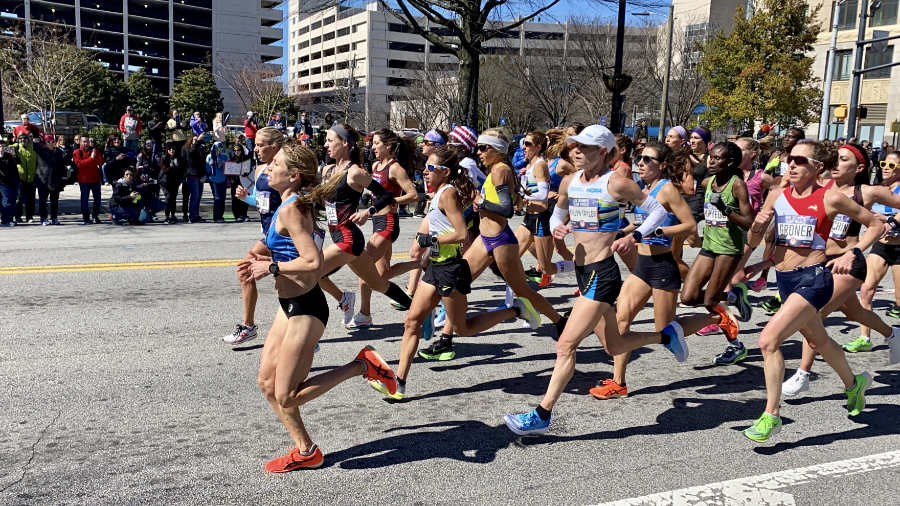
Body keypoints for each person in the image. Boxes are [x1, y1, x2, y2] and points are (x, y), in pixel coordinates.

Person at [504, 125, 733, 435]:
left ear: (602, 152)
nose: (577, 151)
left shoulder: (617, 184)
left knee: (566, 345)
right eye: (575, 146)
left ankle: (542, 413)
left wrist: (636, 235)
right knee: (614, 344)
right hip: (585, 273)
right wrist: (559, 229)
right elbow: (557, 213)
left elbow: (656, 213)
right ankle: (665, 337)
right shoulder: (571, 181)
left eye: (584, 147)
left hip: (604, 276)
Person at [239, 142, 398, 473]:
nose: (268, 168)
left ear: (293, 176)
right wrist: (261, 254)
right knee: (268, 386)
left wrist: (269, 268)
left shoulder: (291, 209)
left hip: (307, 308)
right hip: (289, 305)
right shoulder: (290, 203)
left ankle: (361, 365)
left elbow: (312, 262)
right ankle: (306, 450)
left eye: (276, 165)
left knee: (288, 396)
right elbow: (287, 247)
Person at [370, 145, 541, 398]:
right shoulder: (437, 192)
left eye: (430, 168)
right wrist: (423, 240)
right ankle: (399, 383)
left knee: (464, 329)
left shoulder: (448, 194)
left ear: (444, 172)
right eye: (425, 168)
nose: (425, 172)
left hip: (451, 269)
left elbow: (461, 234)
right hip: (436, 268)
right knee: (411, 321)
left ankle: (516, 310)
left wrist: (433, 242)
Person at [740, 139, 880, 443]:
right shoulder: (776, 195)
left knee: (768, 341)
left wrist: (852, 253)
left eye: (800, 160)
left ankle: (771, 415)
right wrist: (755, 256)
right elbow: (765, 239)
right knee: (819, 340)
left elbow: (874, 225)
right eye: (790, 159)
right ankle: (853, 383)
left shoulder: (830, 198)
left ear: (818, 167)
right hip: (785, 279)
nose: (791, 164)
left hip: (816, 278)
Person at [782, 146, 900, 396]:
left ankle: (803, 373)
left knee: (813, 313)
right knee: (855, 313)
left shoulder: (866, 191)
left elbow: (883, 217)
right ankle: (893, 334)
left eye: (843, 160)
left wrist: (890, 221)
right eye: (833, 159)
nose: (835, 164)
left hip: (850, 262)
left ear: (858, 168)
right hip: (823, 260)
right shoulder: (823, 188)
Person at [590, 141, 697, 400]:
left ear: (661, 165)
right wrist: (618, 232)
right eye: (639, 157)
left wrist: (659, 231)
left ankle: (719, 319)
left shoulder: (667, 189)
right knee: (621, 320)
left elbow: (690, 225)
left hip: (662, 265)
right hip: (641, 265)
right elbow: (639, 223)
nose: (640, 162)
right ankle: (618, 382)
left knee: (666, 328)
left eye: (647, 159)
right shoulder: (642, 189)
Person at [678, 142, 754, 365]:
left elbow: (748, 222)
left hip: (728, 249)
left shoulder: (737, 185)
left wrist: (726, 210)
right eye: (710, 157)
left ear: (729, 162)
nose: (711, 161)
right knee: (688, 297)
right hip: (709, 245)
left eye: (717, 158)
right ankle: (733, 296)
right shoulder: (707, 182)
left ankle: (735, 345)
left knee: (710, 301)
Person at [347, 128, 420, 328]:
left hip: (388, 222)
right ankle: (421, 264)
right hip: (376, 222)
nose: (373, 147)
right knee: (383, 274)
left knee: (364, 269)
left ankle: (364, 314)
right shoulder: (376, 165)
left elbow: (413, 194)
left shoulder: (396, 168)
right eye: (372, 144)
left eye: (377, 143)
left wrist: (391, 200)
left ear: (388, 146)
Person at [35, 136, 67, 225]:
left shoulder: (58, 152)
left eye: (52, 141)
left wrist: (63, 178)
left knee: (55, 201)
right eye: (48, 142)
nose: (51, 143)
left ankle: (54, 218)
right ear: (45, 143)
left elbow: (62, 166)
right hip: (43, 180)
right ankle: (43, 218)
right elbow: (35, 145)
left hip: (55, 180)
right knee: (43, 201)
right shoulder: (41, 151)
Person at [72, 135, 103, 225]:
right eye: (84, 142)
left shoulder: (95, 151)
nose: (86, 143)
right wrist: (91, 159)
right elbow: (79, 164)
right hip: (84, 180)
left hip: (95, 179)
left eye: (87, 141)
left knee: (97, 199)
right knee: (85, 199)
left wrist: (95, 156)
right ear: (80, 142)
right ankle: (86, 217)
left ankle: (95, 216)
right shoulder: (77, 152)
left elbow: (101, 162)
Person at [13, 133, 37, 224]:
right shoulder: (16, 149)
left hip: (31, 178)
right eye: (20, 139)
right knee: (19, 199)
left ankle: (29, 216)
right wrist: (16, 143)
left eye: (24, 139)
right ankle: (18, 216)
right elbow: (9, 147)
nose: (23, 140)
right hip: (20, 178)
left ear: (28, 140)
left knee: (31, 199)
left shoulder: (32, 149)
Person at [160, 142, 186, 224]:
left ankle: (173, 215)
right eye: (170, 149)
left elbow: (181, 169)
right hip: (165, 181)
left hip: (175, 181)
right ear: (167, 150)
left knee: (173, 198)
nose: (171, 150)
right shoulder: (164, 157)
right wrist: (172, 167)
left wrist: (180, 179)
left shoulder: (178, 158)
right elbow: (164, 169)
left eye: (173, 149)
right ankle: (167, 216)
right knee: (168, 197)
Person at [183, 135, 206, 223]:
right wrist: (198, 140)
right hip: (192, 177)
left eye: (197, 139)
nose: (197, 141)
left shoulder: (200, 150)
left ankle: (196, 215)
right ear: (191, 141)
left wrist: (204, 175)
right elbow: (192, 152)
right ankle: (192, 216)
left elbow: (203, 163)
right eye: (195, 140)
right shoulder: (189, 150)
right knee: (194, 197)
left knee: (198, 198)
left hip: (200, 177)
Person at [206, 141, 229, 223]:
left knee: (223, 198)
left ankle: (221, 216)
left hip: (223, 179)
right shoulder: (209, 156)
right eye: (216, 148)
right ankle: (216, 217)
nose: (218, 149)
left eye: (220, 147)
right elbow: (207, 170)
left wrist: (224, 164)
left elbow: (229, 169)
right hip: (214, 180)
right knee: (217, 198)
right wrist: (210, 165)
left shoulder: (225, 156)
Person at [0, 138, 20, 226]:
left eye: (4, 146)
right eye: (0, 146)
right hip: (3, 183)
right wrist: (0, 156)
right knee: (6, 200)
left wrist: (14, 155)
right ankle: (6, 220)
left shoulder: (9, 155)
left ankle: (9, 218)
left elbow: (18, 163)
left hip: (13, 181)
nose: (2, 148)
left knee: (12, 201)